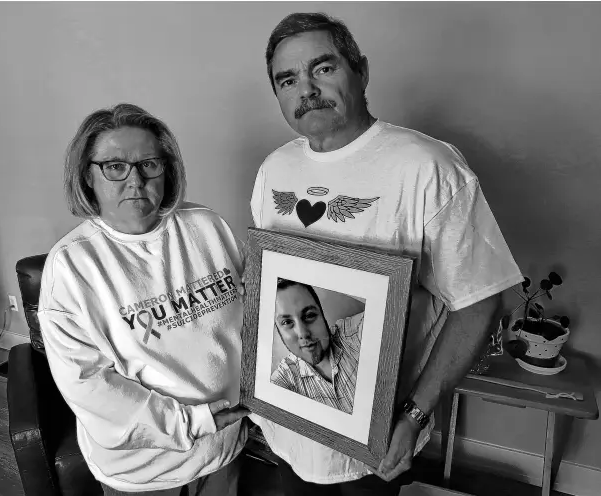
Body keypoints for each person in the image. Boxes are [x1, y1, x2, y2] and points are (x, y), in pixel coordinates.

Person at [250, 12, 523, 496]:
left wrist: (416, 414)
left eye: (323, 68)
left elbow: (479, 301)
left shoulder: (426, 167)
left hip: (377, 434)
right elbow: (270, 284)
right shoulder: (275, 169)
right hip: (290, 420)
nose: (306, 89)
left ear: (362, 72)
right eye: (287, 79)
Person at [38, 103, 249, 495]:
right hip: (144, 471)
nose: (135, 181)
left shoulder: (208, 226)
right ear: (88, 175)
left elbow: (253, 313)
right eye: (115, 167)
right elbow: (88, 384)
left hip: (225, 448)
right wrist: (189, 423)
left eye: (149, 164)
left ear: (165, 169)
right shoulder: (72, 266)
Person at [271, 278, 362, 415]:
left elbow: (388, 299)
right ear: (279, 332)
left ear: (322, 315)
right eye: (287, 322)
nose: (303, 333)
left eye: (310, 315)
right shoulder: (283, 381)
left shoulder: (353, 334)